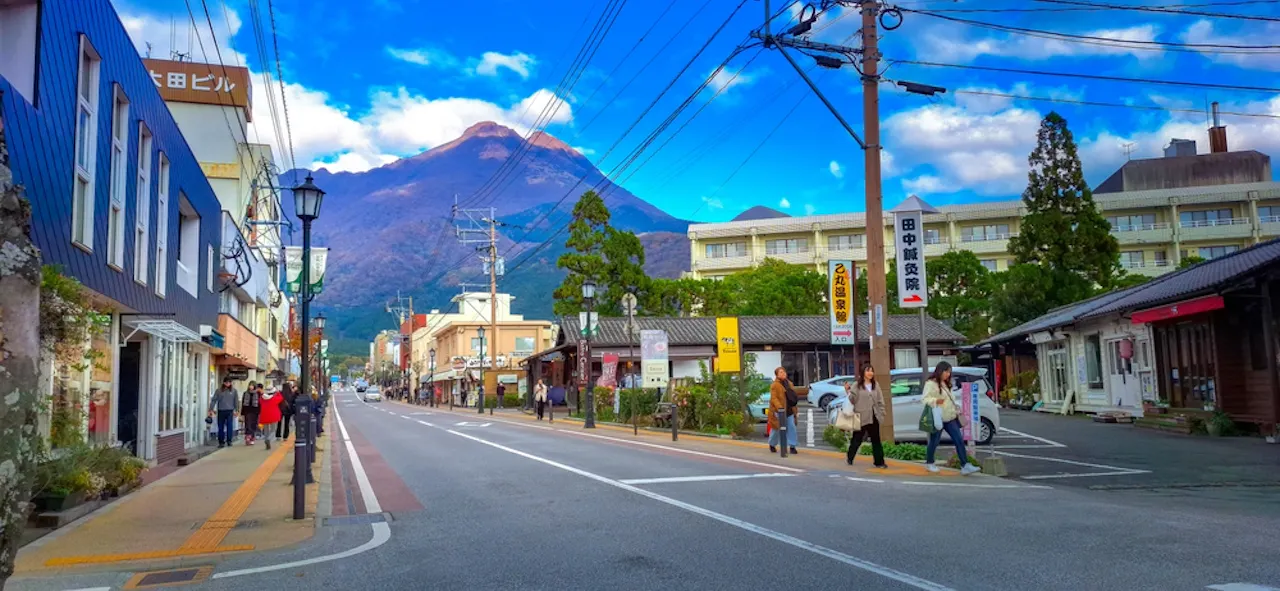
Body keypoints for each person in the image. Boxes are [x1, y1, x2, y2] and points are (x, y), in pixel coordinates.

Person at [922, 361, 980, 475]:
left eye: (949, 372)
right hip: (938, 416)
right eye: (946, 372)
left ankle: (965, 465)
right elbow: (924, 399)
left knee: (958, 439)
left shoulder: (946, 383)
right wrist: (935, 401)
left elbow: (950, 399)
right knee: (934, 441)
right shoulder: (931, 384)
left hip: (950, 416)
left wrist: (956, 408)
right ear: (940, 371)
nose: (948, 374)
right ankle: (930, 463)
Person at [844, 364, 888, 468]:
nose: (870, 373)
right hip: (861, 416)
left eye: (872, 371)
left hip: (874, 415)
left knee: (876, 440)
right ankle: (850, 457)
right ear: (863, 372)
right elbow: (853, 400)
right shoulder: (857, 385)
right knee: (857, 439)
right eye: (868, 371)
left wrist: (882, 412)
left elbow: (880, 399)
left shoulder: (875, 385)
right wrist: (848, 391)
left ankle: (879, 462)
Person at [767, 367, 799, 455]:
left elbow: (793, 396)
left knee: (792, 427)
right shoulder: (774, 385)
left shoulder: (789, 383)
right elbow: (774, 398)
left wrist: (796, 409)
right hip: (779, 411)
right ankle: (772, 444)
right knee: (776, 428)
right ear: (777, 375)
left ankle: (792, 446)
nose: (783, 373)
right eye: (780, 372)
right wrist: (779, 408)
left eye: (784, 372)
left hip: (790, 410)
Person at [208, 377, 239, 448]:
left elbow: (236, 401)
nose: (228, 384)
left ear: (231, 383)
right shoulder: (219, 391)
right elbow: (214, 400)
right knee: (220, 427)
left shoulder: (234, 391)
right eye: (226, 382)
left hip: (230, 411)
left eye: (229, 382)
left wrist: (237, 410)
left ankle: (229, 441)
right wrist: (211, 409)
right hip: (221, 410)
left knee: (229, 426)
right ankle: (221, 442)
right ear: (224, 382)